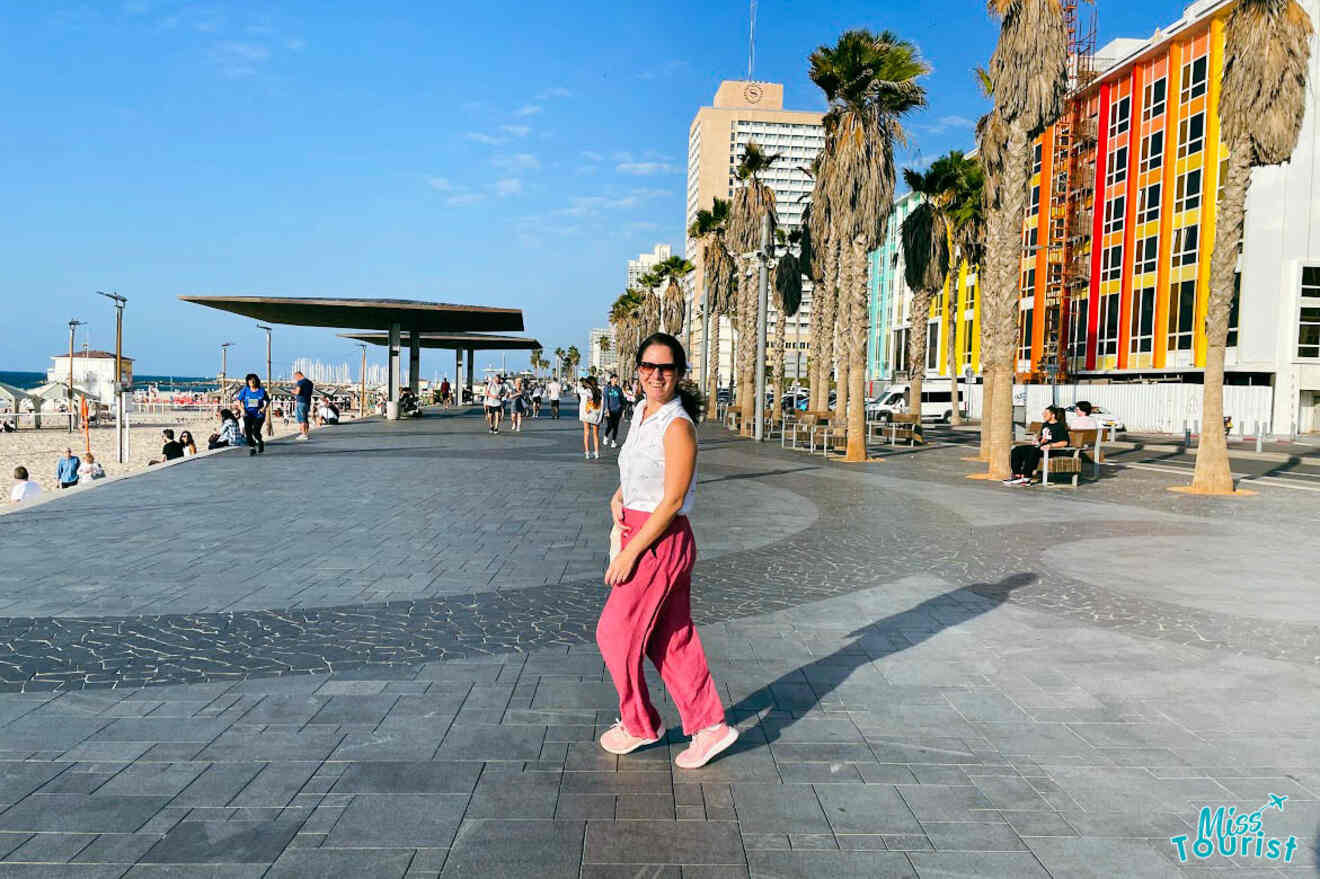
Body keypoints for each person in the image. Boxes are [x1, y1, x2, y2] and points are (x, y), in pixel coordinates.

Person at [597, 332, 735, 770]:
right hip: (642, 529)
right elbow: (644, 473)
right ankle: (710, 725)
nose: (657, 375)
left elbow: (673, 499)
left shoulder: (677, 425)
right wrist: (620, 495)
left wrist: (629, 553)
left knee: (614, 633)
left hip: (659, 539)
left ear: (679, 374)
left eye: (666, 368)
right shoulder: (641, 413)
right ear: (637, 370)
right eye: (649, 367)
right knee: (670, 638)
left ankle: (639, 722)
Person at [1005, 405, 1071, 486]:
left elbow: (1065, 442)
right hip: (1040, 448)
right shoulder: (1045, 424)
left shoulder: (1060, 426)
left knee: (1033, 451)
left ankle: (1027, 476)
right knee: (1017, 449)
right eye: (1043, 412)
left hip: (1052, 450)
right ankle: (1017, 475)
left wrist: (1050, 445)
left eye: (1046, 413)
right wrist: (1039, 441)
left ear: (1053, 415)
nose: (1043, 414)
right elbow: (1045, 438)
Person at [234, 373, 269, 456]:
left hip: (258, 414)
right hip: (248, 413)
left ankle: (260, 442)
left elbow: (267, 401)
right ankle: (252, 447)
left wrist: (263, 409)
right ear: (248, 382)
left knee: (255, 431)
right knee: (248, 430)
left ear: (256, 381)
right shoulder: (245, 390)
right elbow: (238, 401)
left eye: (253, 380)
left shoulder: (261, 390)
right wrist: (242, 410)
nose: (252, 382)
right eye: (250, 380)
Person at [579, 377, 603, 459]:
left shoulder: (586, 391)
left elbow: (579, 390)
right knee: (595, 435)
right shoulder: (599, 391)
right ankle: (596, 453)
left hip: (587, 414)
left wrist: (582, 384)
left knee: (586, 433)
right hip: (596, 414)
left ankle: (587, 453)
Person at [603, 374, 625, 448]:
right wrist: (606, 409)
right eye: (615, 378)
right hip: (609, 410)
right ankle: (606, 436)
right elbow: (606, 399)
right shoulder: (607, 388)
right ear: (611, 379)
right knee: (610, 425)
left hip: (617, 410)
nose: (616, 380)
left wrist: (622, 409)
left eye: (617, 379)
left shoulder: (618, 389)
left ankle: (613, 441)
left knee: (616, 427)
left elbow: (622, 399)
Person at [292, 370, 313, 440]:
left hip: (301, 401)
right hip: (307, 401)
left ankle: (303, 434)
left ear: (298, 375)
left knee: (301, 418)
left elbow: (297, 392)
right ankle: (306, 434)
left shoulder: (300, 382)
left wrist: (292, 391)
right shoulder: (310, 382)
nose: (295, 379)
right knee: (305, 418)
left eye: (295, 377)